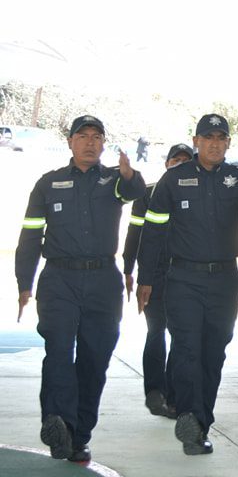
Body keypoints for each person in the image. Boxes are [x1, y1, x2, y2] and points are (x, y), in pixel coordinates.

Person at [15, 115, 145, 464]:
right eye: (83, 136)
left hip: (103, 281)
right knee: (58, 350)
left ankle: (78, 435)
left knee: (94, 359)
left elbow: (135, 193)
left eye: (96, 137)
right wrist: (23, 283)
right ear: (70, 142)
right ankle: (57, 421)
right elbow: (29, 235)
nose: (90, 142)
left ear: (104, 144)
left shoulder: (114, 180)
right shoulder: (48, 183)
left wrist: (131, 175)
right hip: (59, 280)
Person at [135, 114, 238, 456]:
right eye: (208, 137)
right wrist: (145, 278)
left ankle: (201, 422)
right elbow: (152, 232)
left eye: (221, 138)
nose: (214, 143)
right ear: (196, 141)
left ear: (227, 143)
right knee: (186, 349)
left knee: (213, 353)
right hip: (183, 279)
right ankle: (190, 417)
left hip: (224, 281)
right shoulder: (174, 180)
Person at [122, 142, 194, 420]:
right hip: (153, 273)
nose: (179, 164)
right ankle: (155, 391)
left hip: (185, 274)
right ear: (166, 163)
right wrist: (129, 270)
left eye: (185, 161)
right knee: (156, 331)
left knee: (181, 336)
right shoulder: (148, 192)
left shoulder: (197, 191)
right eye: (175, 159)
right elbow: (134, 233)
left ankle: (174, 396)